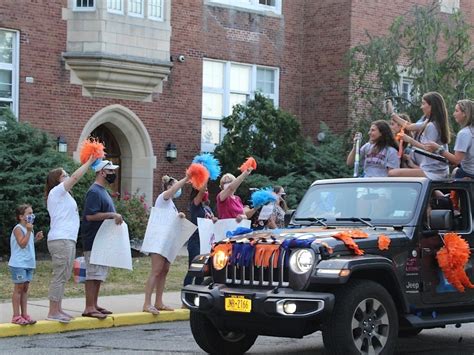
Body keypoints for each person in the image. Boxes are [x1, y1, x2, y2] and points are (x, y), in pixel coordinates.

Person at [45, 156, 94, 323]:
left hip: (68, 239)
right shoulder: (56, 191)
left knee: (64, 275)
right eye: (63, 175)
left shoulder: (64, 195)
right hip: (61, 239)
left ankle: (58, 309)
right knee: (59, 275)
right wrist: (89, 162)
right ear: (57, 180)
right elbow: (75, 178)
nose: (67, 177)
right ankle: (53, 311)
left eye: (66, 175)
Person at [81, 160, 123, 319]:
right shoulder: (94, 191)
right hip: (94, 239)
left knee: (99, 274)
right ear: (102, 172)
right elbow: (90, 215)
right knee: (93, 274)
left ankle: (95, 304)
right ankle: (89, 307)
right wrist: (112, 215)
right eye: (110, 171)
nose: (113, 174)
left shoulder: (102, 191)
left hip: (103, 240)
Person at [143, 174, 189, 314]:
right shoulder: (163, 197)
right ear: (170, 187)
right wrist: (186, 178)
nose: (178, 190)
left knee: (164, 270)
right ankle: (147, 303)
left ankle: (159, 302)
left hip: (168, 242)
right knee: (156, 271)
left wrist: (179, 215)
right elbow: (174, 189)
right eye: (175, 186)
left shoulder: (171, 204)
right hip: (158, 241)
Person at [387, 92, 451, 180]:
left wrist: (409, 140)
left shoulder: (431, 126)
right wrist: (392, 114)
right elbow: (409, 126)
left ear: (431, 106)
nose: (421, 107)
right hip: (434, 168)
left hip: (433, 170)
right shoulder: (428, 122)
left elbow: (427, 149)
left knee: (392, 173)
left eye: (423, 104)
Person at [9, 204, 44, 325]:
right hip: (18, 263)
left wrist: (35, 238)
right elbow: (22, 244)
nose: (31, 215)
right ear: (21, 216)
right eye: (29, 213)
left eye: (32, 213)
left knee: (25, 289)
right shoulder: (18, 228)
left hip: (29, 263)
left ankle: (24, 314)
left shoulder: (29, 229)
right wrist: (29, 231)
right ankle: (16, 316)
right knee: (18, 288)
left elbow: (27, 243)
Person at [425, 99, 474, 179]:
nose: (454, 114)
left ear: (465, 113)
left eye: (456, 111)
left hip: (468, 174)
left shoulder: (464, 133)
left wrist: (438, 148)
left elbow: (456, 160)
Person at [183, 183, 216, 288]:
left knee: (202, 271)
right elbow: (201, 191)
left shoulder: (206, 207)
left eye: (207, 190)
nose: (206, 191)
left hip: (205, 242)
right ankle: (187, 294)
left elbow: (211, 220)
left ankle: (198, 294)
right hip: (196, 241)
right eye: (204, 190)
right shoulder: (195, 204)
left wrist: (214, 219)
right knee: (193, 270)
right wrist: (205, 176)